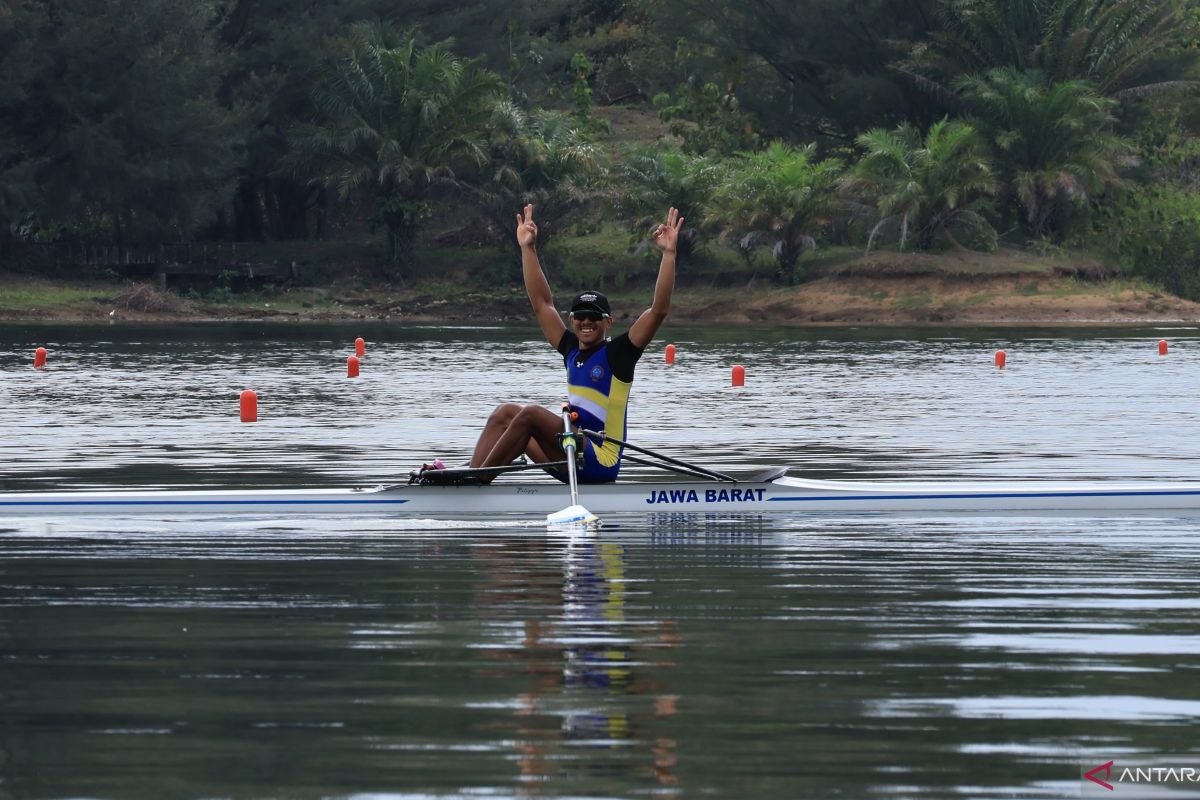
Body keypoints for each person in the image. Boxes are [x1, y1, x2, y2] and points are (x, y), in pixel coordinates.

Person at [463, 204, 683, 484]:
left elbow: (658, 310)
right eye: (580, 317)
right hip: (571, 452)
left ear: (608, 322)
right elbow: (542, 304)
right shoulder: (569, 348)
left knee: (530, 414)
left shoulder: (620, 354)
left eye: (594, 317)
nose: (586, 323)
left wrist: (669, 253)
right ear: (572, 320)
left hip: (600, 460)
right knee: (506, 413)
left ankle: (476, 482)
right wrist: (527, 249)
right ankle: (469, 479)